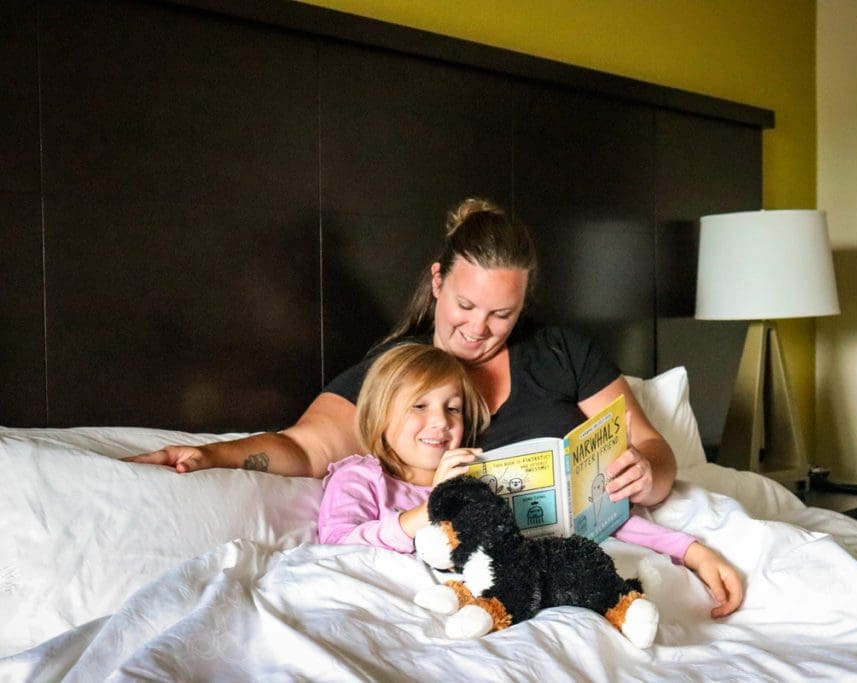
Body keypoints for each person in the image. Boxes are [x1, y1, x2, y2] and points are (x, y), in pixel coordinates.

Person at [128, 198, 676, 507]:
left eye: (501, 315)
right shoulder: (395, 372)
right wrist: (215, 455)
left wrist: (648, 471)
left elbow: (651, 445)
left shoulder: (563, 351)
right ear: (437, 282)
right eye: (465, 304)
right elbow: (304, 448)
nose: (478, 330)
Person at [318, 343, 743, 618]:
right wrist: (427, 511)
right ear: (377, 413)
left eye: (453, 408)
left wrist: (691, 550)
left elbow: (582, 518)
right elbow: (335, 541)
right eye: (419, 406)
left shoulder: (480, 476)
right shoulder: (362, 476)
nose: (440, 422)